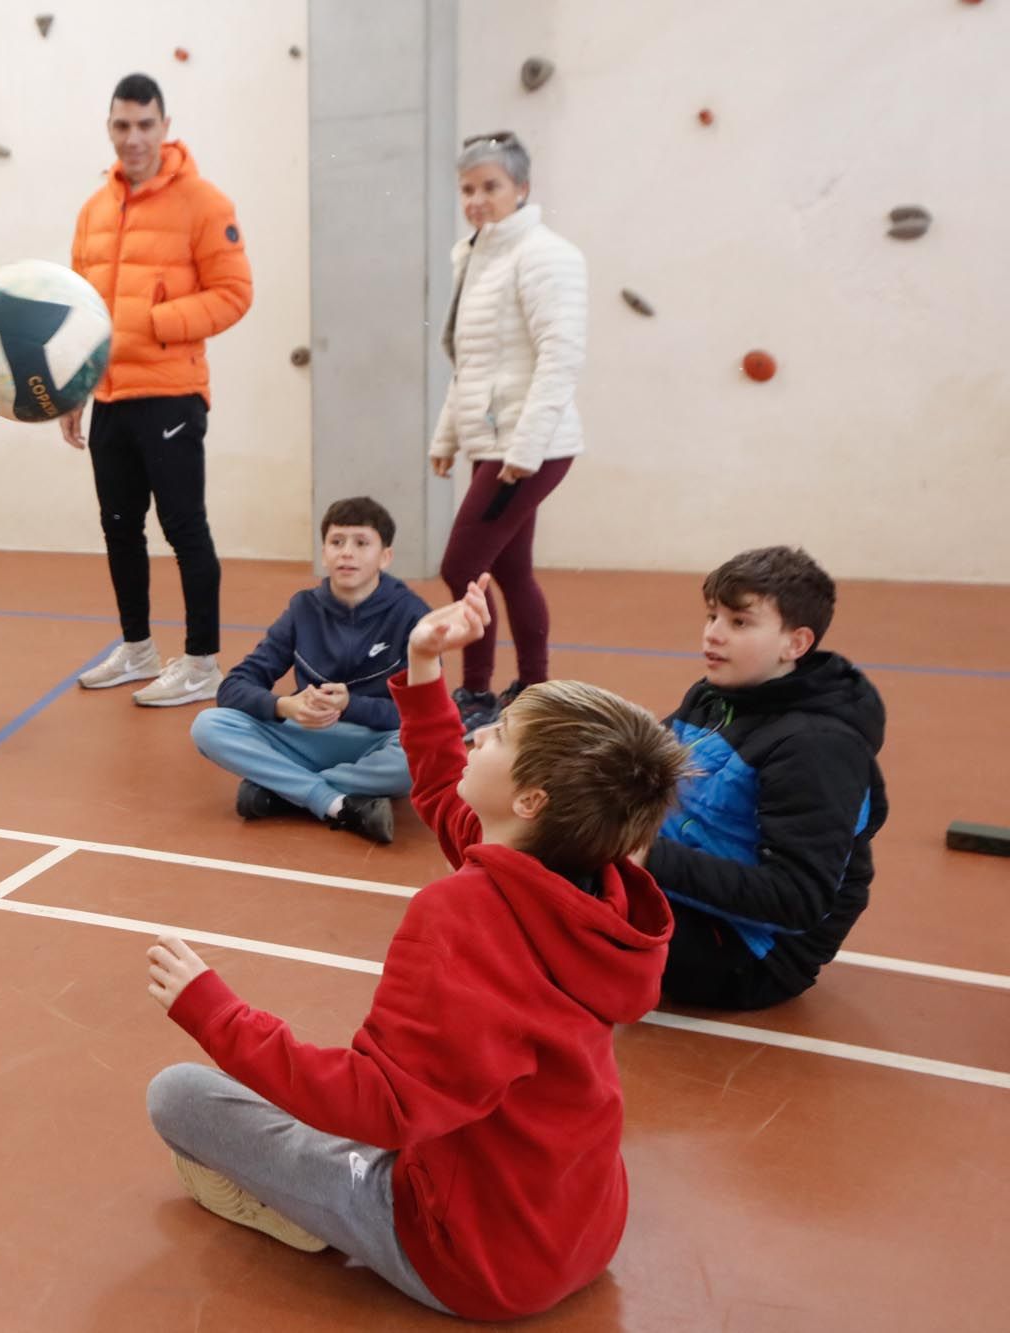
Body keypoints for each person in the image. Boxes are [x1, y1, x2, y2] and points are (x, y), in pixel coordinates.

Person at [145, 577, 690, 1321]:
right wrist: (424, 665)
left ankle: (310, 1211)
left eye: (497, 736)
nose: (477, 734)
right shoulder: (583, 886)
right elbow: (447, 799)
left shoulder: (463, 911)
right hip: (580, 1227)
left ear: (530, 801)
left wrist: (212, 1009)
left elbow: (377, 1104)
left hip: (471, 1258)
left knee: (179, 1095)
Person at [65, 73, 253, 707]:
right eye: (122, 126)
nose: (133, 138)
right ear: (109, 128)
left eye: (145, 125)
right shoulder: (94, 210)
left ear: (165, 126)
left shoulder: (205, 204)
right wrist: (73, 389)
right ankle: (138, 648)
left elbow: (234, 295)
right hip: (110, 396)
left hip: (171, 394)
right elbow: (75, 308)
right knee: (119, 527)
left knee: (183, 527)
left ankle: (202, 662)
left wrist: (153, 324)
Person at [646, 546, 888, 1009]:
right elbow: (642, 764)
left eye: (739, 623)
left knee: (561, 897)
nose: (712, 635)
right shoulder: (715, 694)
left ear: (795, 644)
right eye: (712, 616)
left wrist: (640, 855)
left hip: (752, 955)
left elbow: (796, 898)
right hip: (683, 892)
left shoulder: (817, 746)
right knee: (546, 847)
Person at [429, 131, 588, 732]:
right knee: (511, 569)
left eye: (490, 187)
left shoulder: (547, 255)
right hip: (494, 443)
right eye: (467, 189)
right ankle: (533, 689)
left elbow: (559, 356)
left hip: (529, 447)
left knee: (462, 565)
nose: (477, 199)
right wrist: (448, 437)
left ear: (521, 189)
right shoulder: (474, 254)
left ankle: (476, 691)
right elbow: (471, 363)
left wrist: (524, 448)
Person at [190, 497, 428, 844]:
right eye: (337, 542)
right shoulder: (303, 608)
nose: (347, 553)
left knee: (418, 755)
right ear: (324, 553)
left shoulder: (412, 615)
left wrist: (351, 705)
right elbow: (235, 686)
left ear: (385, 556)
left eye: (361, 543)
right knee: (208, 726)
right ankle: (333, 800)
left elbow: (422, 713)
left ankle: (283, 791)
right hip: (305, 735)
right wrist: (285, 707)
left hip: (372, 743)